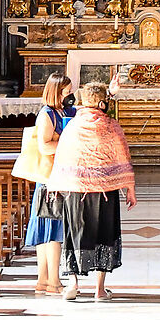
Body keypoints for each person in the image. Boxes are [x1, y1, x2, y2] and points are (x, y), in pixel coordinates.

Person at [45, 82, 136, 299]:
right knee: (105, 234)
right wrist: (129, 188)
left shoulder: (73, 126)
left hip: (75, 189)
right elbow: (123, 156)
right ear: (103, 103)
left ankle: (72, 284)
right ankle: (99, 289)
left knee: (75, 233)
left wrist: (56, 185)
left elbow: (63, 157)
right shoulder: (111, 126)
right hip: (104, 188)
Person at [24, 73, 71, 296]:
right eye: (67, 92)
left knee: (48, 229)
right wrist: (69, 142)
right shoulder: (47, 114)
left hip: (57, 176)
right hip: (49, 179)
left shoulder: (63, 111)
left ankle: (43, 280)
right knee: (52, 231)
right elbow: (44, 146)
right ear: (56, 91)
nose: (71, 95)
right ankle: (53, 281)